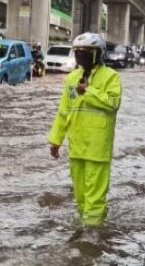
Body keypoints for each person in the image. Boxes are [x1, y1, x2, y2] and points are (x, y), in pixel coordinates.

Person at [48, 32, 122, 237]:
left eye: (86, 53)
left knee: (95, 200)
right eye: (78, 52)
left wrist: (89, 91)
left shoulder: (111, 77)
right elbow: (64, 112)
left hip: (97, 150)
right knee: (80, 197)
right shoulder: (71, 78)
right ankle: (84, 232)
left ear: (98, 54)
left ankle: (92, 240)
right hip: (77, 149)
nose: (81, 56)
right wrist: (56, 140)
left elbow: (113, 103)